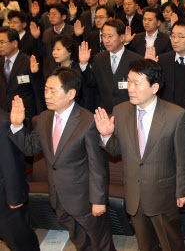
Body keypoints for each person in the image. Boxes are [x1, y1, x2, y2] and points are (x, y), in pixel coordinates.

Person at [9, 68, 115, 251]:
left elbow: (97, 165)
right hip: (58, 197)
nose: (47, 95)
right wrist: (18, 125)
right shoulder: (44, 118)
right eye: (45, 89)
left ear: (71, 93)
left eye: (53, 90)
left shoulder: (87, 121)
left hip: (85, 200)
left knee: (101, 243)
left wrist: (98, 200)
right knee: (80, 241)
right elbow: (30, 148)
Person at [94, 59, 185, 251]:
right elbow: (116, 151)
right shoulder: (120, 111)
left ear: (154, 87)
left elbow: (182, 158)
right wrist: (106, 135)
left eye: (137, 83)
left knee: (171, 243)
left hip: (163, 193)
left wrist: (182, 190)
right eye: (129, 81)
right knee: (145, 244)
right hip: (134, 194)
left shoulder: (175, 115)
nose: (130, 88)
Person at [79, 19, 143, 114]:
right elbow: (91, 83)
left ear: (121, 37)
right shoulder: (99, 58)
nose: (106, 40)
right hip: (104, 112)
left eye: (110, 36)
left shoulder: (136, 59)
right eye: (103, 36)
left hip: (129, 112)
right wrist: (84, 64)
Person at [0, 108, 40, 251]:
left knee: (19, 241)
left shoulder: (3, 122)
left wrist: (15, 199)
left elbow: (10, 164)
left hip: (5, 200)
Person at [0, 27, 42, 122]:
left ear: (14, 43)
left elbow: (37, 90)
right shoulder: (0, 62)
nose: (0, 46)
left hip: (25, 116)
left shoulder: (28, 62)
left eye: (2, 42)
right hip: (3, 117)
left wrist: (40, 115)